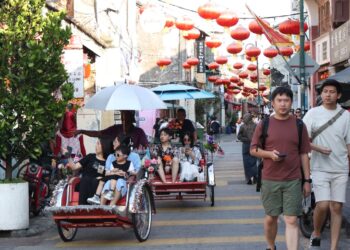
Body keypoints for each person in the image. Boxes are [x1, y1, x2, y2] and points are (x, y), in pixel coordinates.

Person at [250, 86, 311, 250]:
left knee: (291, 220)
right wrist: (269, 154)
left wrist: (307, 180)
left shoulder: (299, 124)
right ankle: (271, 246)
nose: (283, 104)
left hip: (293, 179)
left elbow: (304, 153)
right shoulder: (264, 124)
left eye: (286, 100)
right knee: (272, 217)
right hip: (270, 179)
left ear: (291, 102)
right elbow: (253, 149)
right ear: (273, 103)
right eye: (279, 100)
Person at [302, 79, 350, 250]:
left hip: (340, 168)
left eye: (331, 92)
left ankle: (334, 247)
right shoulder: (312, 114)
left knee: (336, 207)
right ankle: (316, 233)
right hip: (320, 167)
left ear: (338, 95)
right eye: (325, 91)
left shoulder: (346, 116)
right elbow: (303, 141)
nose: (328, 94)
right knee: (323, 204)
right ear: (321, 94)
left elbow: (348, 143)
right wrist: (318, 148)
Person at [66, 137, 113, 205]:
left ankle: (92, 208)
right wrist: (68, 156)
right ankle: (81, 207)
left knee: (96, 181)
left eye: (98, 144)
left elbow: (109, 174)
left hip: (97, 185)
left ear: (104, 146)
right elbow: (74, 167)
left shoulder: (108, 162)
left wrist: (103, 178)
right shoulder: (90, 157)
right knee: (86, 179)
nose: (96, 145)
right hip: (84, 183)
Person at [100, 135, 141, 205]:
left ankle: (111, 207)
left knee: (119, 181)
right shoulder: (111, 157)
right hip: (111, 180)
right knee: (108, 183)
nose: (113, 143)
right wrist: (115, 172)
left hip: (125, 182)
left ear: (121, 143)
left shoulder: (134, 157)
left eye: (115, 142)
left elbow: (137, 172)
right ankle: (101, 206)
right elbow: (107, 172)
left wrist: (127, 174)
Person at [76, 110, 148, 149]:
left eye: (126, 118)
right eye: (122, 117)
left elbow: (145, 147)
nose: (124, 120)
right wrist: (82, 131)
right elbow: (99, 133)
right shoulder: (116, 128)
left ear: (132, 118)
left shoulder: (139, 132)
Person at [237, 113, 257, 185]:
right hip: (251, 145)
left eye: (245, 118)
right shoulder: (255, 126)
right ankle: (253, 177)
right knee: (253, 162)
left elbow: (239, 136)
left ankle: (250, 178)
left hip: (247, 145)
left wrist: (245, 139)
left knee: (247, 163)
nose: (244, 119)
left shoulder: (243, 126)